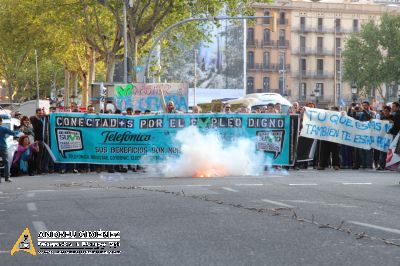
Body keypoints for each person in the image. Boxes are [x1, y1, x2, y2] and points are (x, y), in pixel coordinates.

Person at [0, 117, 19, 182]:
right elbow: (13, 133)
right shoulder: (4, 128)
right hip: (3, 147)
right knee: (6, 162)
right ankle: (7, 177)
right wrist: (19, 130)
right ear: (1, 121)